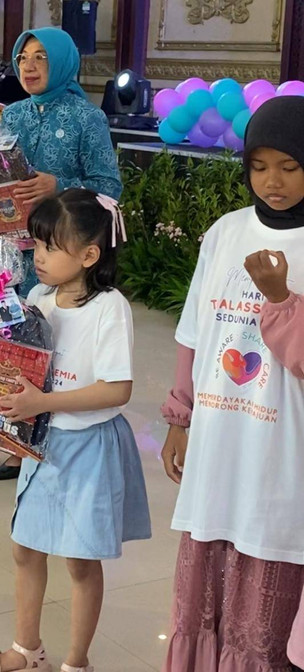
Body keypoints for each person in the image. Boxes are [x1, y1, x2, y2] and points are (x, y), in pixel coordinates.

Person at [0, 190, 151, 672]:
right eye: (36, 245)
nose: (39, 257)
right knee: (25, 548)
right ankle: (27, 650)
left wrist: (43, 402)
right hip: (40, 444)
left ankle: (76, 661)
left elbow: (117, 390)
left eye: (50, 247)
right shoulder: (35, 298)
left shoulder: (109, 308)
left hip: (88, 448)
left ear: (89, 256)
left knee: (79, 560)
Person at [160, 95, 304, 671]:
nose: (273, 181)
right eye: (260, 165)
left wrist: (279, 299)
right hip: (220, 439)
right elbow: (195, 331)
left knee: (263, 569)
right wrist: (179, 419)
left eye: (291, 167)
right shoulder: (225, 231)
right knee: (208, 564)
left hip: (281, 450)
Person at [0, 27, 122, 481]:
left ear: (64, 62)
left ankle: (59, 428)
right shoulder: (11, 116)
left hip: (64, 255)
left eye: (41, 57)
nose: (29, 66)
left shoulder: (88, 119)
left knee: (58, 346)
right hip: (13, 250)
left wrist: (61, 186)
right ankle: (16, 436)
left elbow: (110, 189)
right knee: (16, 341)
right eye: (23, 57)